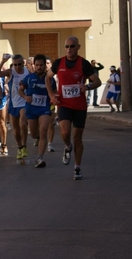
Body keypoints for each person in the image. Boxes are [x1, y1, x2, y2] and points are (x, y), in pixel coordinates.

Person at [45, 36, 101, 180]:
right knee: (64, 132)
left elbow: (97, 81)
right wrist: (52, 95)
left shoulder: (84, 64)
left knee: (77, 138)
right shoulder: (59, 63)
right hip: (64, 104)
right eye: (67, 46)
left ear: (78, 47)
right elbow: (47, 77)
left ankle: (77, 168)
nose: (69, 49)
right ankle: (67, 146)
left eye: (72, 46)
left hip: (80, 106)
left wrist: (87, 86)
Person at [18, 54, 57, 168]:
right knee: (35, 134)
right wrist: (25, 97)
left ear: (45, 66)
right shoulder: (29, 78)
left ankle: (40, 158)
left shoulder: (49, 79)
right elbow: (20, 90)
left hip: (44, 108)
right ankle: (38, 139)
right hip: (31, 109)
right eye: (37, 65)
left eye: (41, 65)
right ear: (34, 66)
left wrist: (55, 98)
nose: (39, 67)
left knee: (44, 130)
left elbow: (55, 92)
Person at [0, 54, 30, 162]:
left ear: (23, 63)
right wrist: (2, 62)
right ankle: (19, 147)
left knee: (23, 124)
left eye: (19, 64)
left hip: (24, 102)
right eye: (15, 64)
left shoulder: (28, 72)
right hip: (13, 103)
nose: (17, 67)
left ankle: (24, 146)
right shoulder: (11, 72)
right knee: (16, 129)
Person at [46, 56, 56, 152]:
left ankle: (50, 143)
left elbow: (55, 90)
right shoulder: (36, 76)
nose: (46, 65)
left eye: (48, 63)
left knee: (51, 124)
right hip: (39, 105)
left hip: (50, 103)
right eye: (45, 63)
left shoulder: (52, 79)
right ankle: (39, 138)